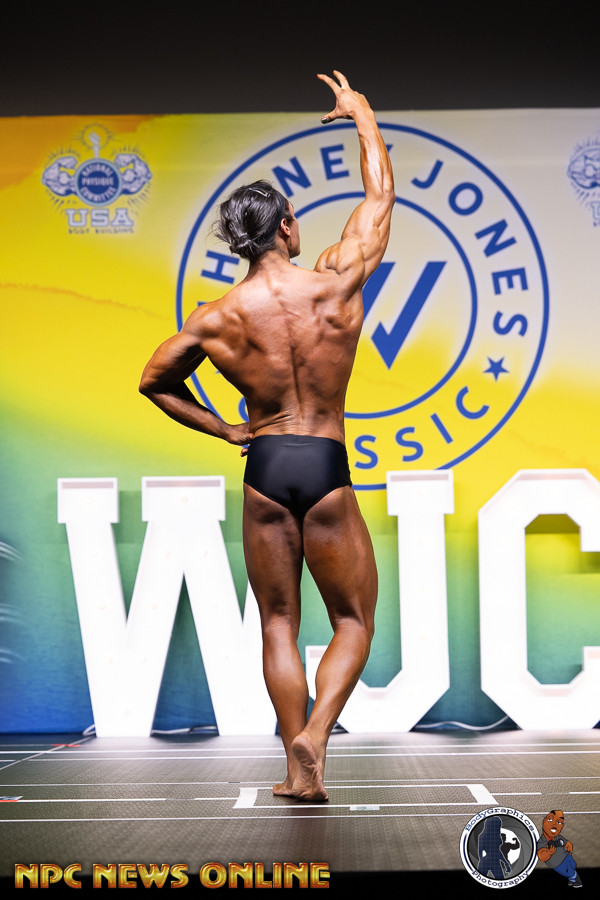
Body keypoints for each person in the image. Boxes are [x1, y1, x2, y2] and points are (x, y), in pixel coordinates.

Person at [139, 71, 395, 801]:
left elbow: (154, 381)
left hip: (266, 465)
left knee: (278, 622)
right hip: (325, 462)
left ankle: (295, 770)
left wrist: (225, 428)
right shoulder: (335, 282)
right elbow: (379, 198)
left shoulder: (216, 318)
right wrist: (361, 114)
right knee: (353, 619)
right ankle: (318, 734)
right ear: (286, 227)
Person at [537, 810, 582, 888]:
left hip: (566, 856)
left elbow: (567, 844)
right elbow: (542, 856)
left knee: (573, 865)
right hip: (557, 864)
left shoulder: (558, 837)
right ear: (544, 821)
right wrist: (549, 853)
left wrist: (570, 852)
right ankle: (576, 879)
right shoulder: (542, 842)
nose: (554, 824)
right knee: (569, 873)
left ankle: (572, 879)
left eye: (559, 822)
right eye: (550, 819)